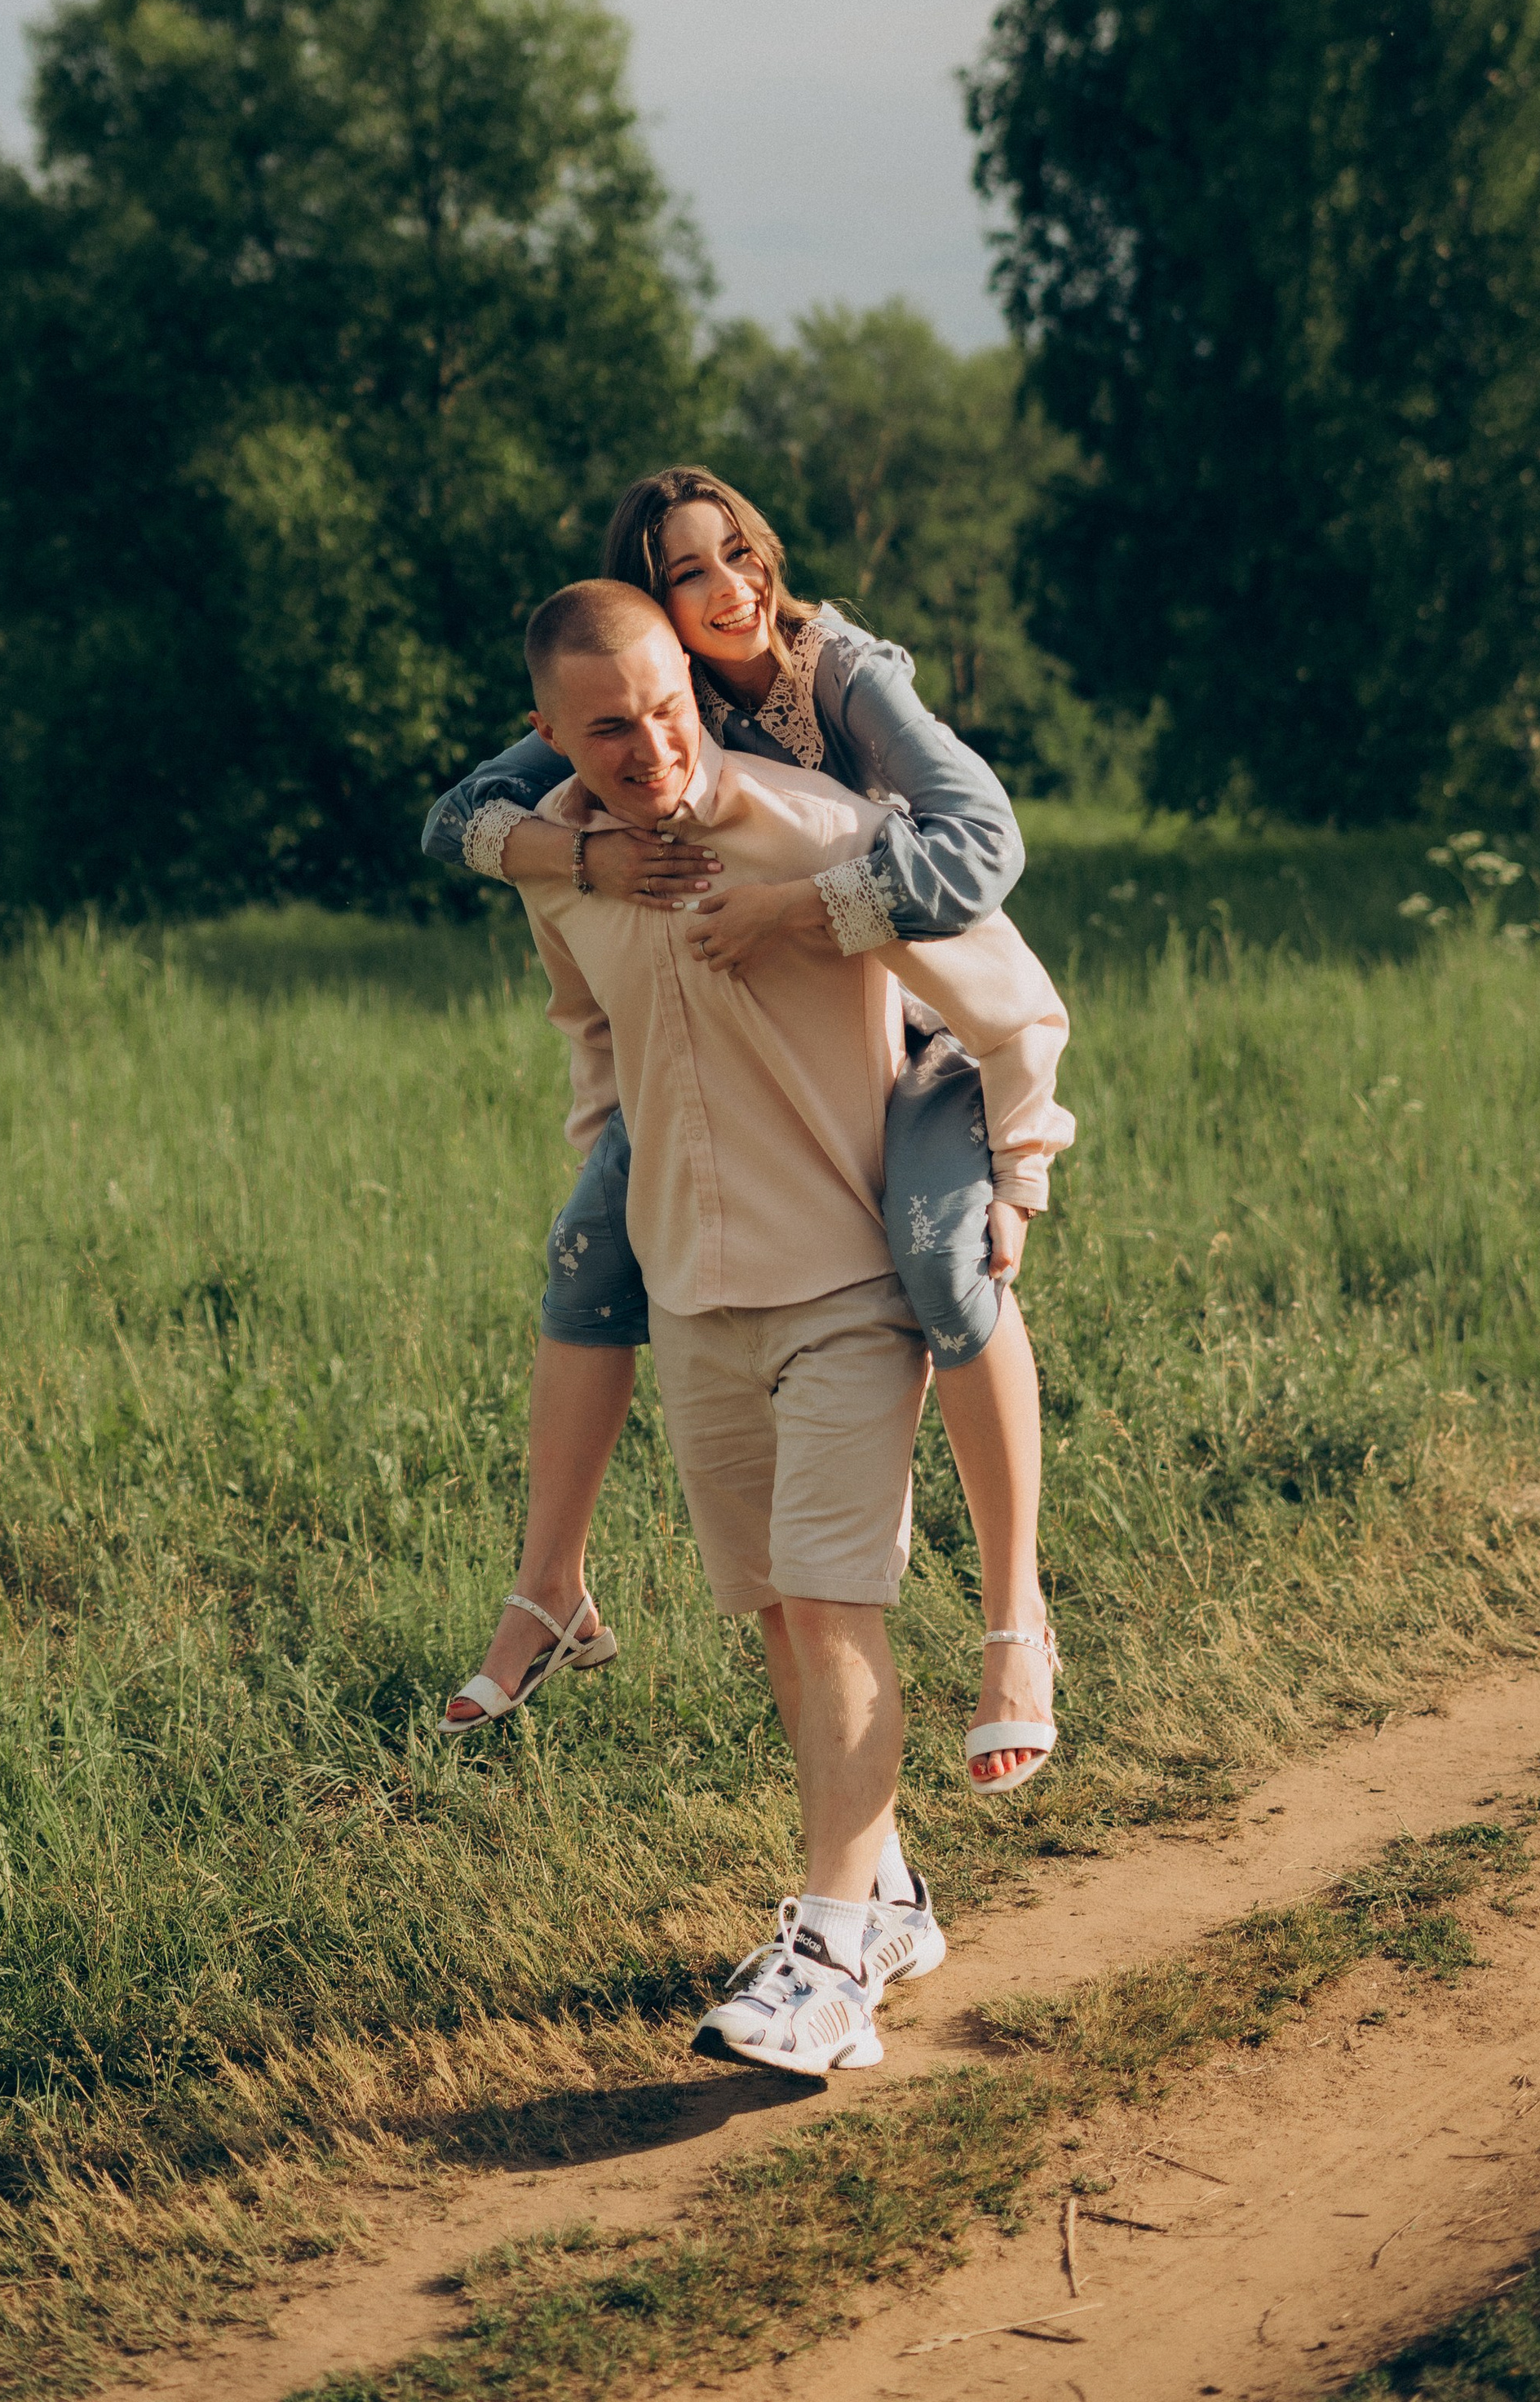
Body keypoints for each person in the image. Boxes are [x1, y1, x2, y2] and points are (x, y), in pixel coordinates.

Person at [424, 467, 1061, 1790]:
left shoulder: (842, 674)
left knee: (942, 1262)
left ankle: (1016, 1619)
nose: (727, 591)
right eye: (686, 572)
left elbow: (985, 848)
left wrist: (807, 908)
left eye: (739, 553)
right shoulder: (640, 701)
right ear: (648, 605)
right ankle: (550, 1588)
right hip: (771, 1045)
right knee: (587, 1259)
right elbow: (459, 825)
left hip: (922, 1015)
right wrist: (584, 859)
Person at [509, 577, 1073, 2072]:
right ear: (552, 735)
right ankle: (885, 1899)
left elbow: (1018, 1005)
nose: (651, 749)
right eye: (609, 731)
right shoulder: (562, 870)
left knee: (832, 1609)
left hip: (843, 1286)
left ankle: (824, 1968)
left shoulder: (820, 833)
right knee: (773, 1610)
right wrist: (616, 1171)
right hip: (693, 1295)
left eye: (669, 712)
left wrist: (1017, 1173)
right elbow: (589, 1027)